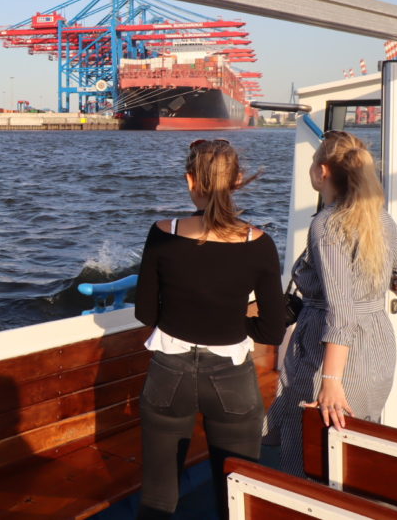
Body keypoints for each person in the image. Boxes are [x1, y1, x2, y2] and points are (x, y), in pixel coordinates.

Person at [134, 139, 286, 519]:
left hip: (169, 373)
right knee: (237, 491)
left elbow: (144, 312)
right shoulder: (259, 243)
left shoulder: (162, 232)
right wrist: (235, 313)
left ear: (190, 181)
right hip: (231, 378)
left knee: (157, 496)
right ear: (236, 181)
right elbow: (271, 330)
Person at [265, 130, 397, 477]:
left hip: (334, 353)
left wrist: (331, 379)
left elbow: (340, 311)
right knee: (357, 446)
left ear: (322, 171)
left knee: (310, 447)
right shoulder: (381, 219)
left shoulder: (328, 224)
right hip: (378, 347)